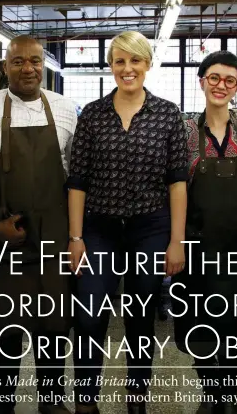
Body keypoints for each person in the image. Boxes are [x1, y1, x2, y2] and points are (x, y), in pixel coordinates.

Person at [67, 31, 189, 414]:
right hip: (98, 229)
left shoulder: (169, 114)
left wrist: (177, 241)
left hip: (150, 228)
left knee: (139, 320)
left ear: (148, 64)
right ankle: (86, 399)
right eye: (120, 61)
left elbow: (178, 183)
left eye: (135, 60)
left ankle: (137, 398)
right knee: (89, 316)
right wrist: (75, 237)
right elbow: (78, 181)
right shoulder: (92, 115)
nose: (127, 68)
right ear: (110, 65)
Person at [0, 35, 77, 414]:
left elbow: (75, 178)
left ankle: (52, 402)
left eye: (34, 61)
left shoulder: (65, 109)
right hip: (6, 242)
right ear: (5, 67)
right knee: (5, 333)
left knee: (53, 330)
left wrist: (74, 236)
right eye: (18, 62)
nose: (27, 68)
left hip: (53, 242)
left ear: (43, 64)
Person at [172, 51, 237, 414]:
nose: (221, 85)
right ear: (202, 82)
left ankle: (229, 393)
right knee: (198, 319)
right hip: (196, 244)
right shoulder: (182, 132)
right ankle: (210, 390)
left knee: (233, 322)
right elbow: (174, 188)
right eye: (214, 78)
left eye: (230, 80)